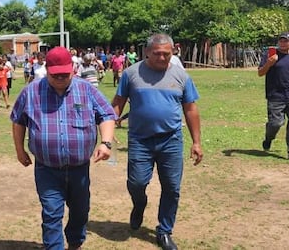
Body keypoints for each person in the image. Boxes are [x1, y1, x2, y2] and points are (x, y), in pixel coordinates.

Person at [10, 47, 116, 250]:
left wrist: (106, 142)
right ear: (46, 69)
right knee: (51, 213)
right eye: (55, 74)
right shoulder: (31, 92)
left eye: (64, 74)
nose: (60, 78)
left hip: (79, 169)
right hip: (47, 169)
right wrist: (20, 150)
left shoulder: (86, 89)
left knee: (80, 211)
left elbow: (107, 115)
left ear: (73, 69)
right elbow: (18, 121)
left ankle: (75, 243)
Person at [111, 33, 203, 250]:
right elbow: (118, 103)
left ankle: (164, 231)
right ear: (147, 52)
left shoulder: (181, 76)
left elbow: (190, 110)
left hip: (171, 139)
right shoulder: (131, 74)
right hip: (140, 140)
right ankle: (139, 205)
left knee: (172, 187)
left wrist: (196, 142)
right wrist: (110, 129)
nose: (162, 58)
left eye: (167, 54)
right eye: (158, 54)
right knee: (137, 183)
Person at [258, 32, 289, 162]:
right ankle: (268, 138)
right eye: (281, 41)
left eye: (286, 41)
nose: (283, 43)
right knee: (276, 123)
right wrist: (269, 63)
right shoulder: (270, 55)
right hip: (275, 96)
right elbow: (260, 73)